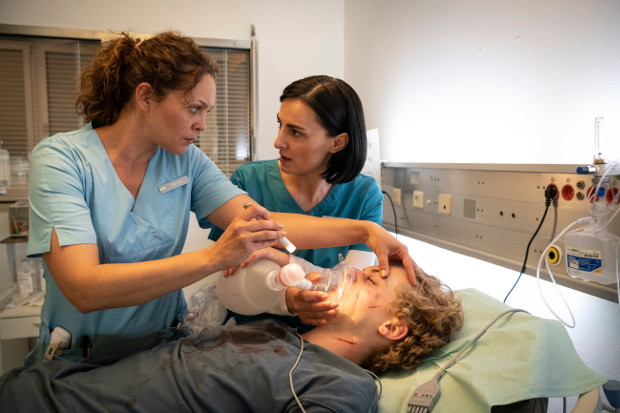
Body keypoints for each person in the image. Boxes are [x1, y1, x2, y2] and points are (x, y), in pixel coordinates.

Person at [25, 31, 416, 366]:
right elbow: (83, 287)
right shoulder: (62, 160)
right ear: (145, 96)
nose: (202, 124)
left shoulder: (186, 162)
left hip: (163, 351)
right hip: (79, 358)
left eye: (207, 110)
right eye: (194, 108)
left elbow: (263, 222)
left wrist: (366, 230)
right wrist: (215, 257)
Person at [0, 263, 464, 412]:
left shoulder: (346, 386)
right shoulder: (274, 332)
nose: (355, 271)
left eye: (373, 282)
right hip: (45, 385)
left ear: (391, 328)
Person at [207, 75, 384, 327]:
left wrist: (287, 264)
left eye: (295, 132)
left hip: (323, 337)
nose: (278, 141)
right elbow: (229, 272)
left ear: (337, 142)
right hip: (250, 335)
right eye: (280, 125)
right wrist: (290, 300)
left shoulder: (364, 195)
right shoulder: (250, 181)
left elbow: (352, 288)